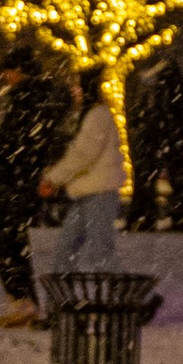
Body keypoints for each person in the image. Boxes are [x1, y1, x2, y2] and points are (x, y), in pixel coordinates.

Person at [0, 43, 65, 328]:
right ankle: (25, 303)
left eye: (9, 71)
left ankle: (23, 302)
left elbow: (20, 146)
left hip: (13, 182)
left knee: (1, 242)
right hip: (18, 181)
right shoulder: (33, 98)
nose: (4, 77)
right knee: (13, 243)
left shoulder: (27, 100)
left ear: (19, 71)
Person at [40, 64, 125, 282]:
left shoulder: (97, 116)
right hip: (85, 194)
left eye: (77, 86)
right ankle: (62, 303)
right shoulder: (89, 115)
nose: (73, 91)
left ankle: (126, 299)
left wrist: (53, 178)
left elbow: (83, 155)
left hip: (99, 193)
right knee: (65, 249)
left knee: (98, 251)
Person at [126, 51, 183, 234]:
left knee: (148, 181)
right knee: (178, 182)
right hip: (176, 141)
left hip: (163, 139)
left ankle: (145, 217)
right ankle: (176, 219)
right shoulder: (181, 92)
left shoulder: (161, 92)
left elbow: (151, 115)